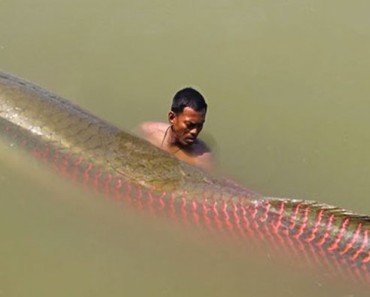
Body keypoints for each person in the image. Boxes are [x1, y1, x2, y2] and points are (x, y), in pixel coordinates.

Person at [139, 87, 214, 171]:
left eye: (200, 125)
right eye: (190, 125)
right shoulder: (149, 132)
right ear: (172, 118)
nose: (195, 131)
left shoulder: (202, 158)